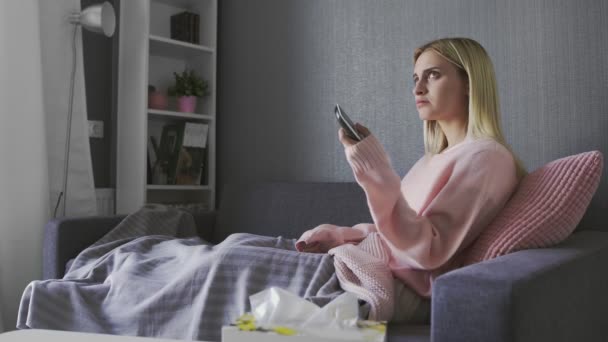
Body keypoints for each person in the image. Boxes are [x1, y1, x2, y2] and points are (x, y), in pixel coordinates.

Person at [295, 37, 527, 323]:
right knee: (237, 242)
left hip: (397, 285)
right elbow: (395, 234)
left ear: (469, 83)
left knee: (231, 257)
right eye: (416, 78)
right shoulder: (430, 161)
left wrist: (375, 168)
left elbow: (427, 250)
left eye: (433, 75)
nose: (418, 88)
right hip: (373, 261)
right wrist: (342, 235)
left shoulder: (487, 158)